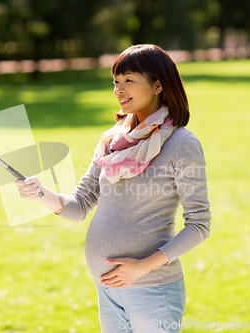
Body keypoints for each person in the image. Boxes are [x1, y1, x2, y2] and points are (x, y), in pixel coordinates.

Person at [14, 44, 211, 333]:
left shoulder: (182, 144)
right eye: (116, 82)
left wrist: (141, 267)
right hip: (108, 289)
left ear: (158, 85)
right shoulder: (111, 140)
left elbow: (199, 225)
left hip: (152, 288)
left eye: (129, 80)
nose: (119, 89)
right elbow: (80, 205)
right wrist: (40, 192)